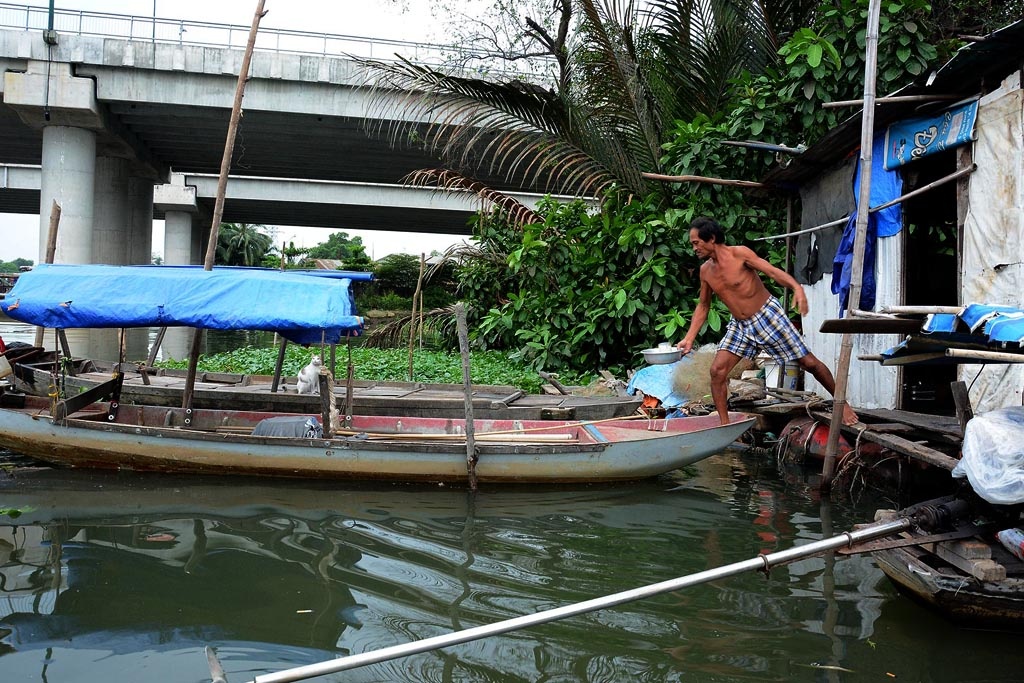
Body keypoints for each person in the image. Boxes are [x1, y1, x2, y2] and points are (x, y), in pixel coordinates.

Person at [675, 216, 858, 426]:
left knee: (809, 363)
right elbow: (703, 305)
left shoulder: (740, 254)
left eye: (696, 243)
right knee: (717, 371)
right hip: (740, 326)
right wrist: (689, 338)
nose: (694, 248)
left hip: (767, 316)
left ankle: (842, 403)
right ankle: (724, 424)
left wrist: (796, 287)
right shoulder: (705, 271)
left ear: (712, 238)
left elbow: (771, 271)